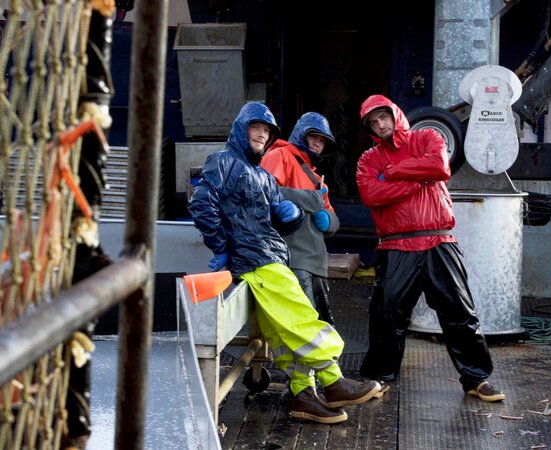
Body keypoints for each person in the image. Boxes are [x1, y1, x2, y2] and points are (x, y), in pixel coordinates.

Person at [188, 101, 380, 424]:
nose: (262, 135)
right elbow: (202, 205)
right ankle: (333, 380)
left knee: (280, 330)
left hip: (271, 254)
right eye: (256, 127)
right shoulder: (223, 162)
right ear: (241, 128)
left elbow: (280, 218)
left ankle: (303, 395)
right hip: (255, 258)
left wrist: (290, 217)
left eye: (267, 130)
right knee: (300, 314)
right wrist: (221, 246)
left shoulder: (263, 175)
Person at [355, 94, 505, 403]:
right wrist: (418, 181)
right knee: (387, 315)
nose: (380, 124)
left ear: (395, 114)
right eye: (373, 122)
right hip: (395, 244)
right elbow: (372, 194)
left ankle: (477, 378)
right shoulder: (369, 159)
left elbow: (439, 166)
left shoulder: (428, 137)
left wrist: (394, 172)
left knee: (460, 312)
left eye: (383, 116)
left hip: (439, 240)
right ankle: (379, 377)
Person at [261, 112, 339, 324]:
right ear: (300, 134)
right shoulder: (280, 155)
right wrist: (312, 200)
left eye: (322, 140)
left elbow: (333, 217)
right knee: (302, 326)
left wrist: (328, 220)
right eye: (313, 136)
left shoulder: (318, 180)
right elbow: (263, 191)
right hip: (292, 259)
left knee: (317, 324)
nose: (317, 143)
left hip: (316, 264)